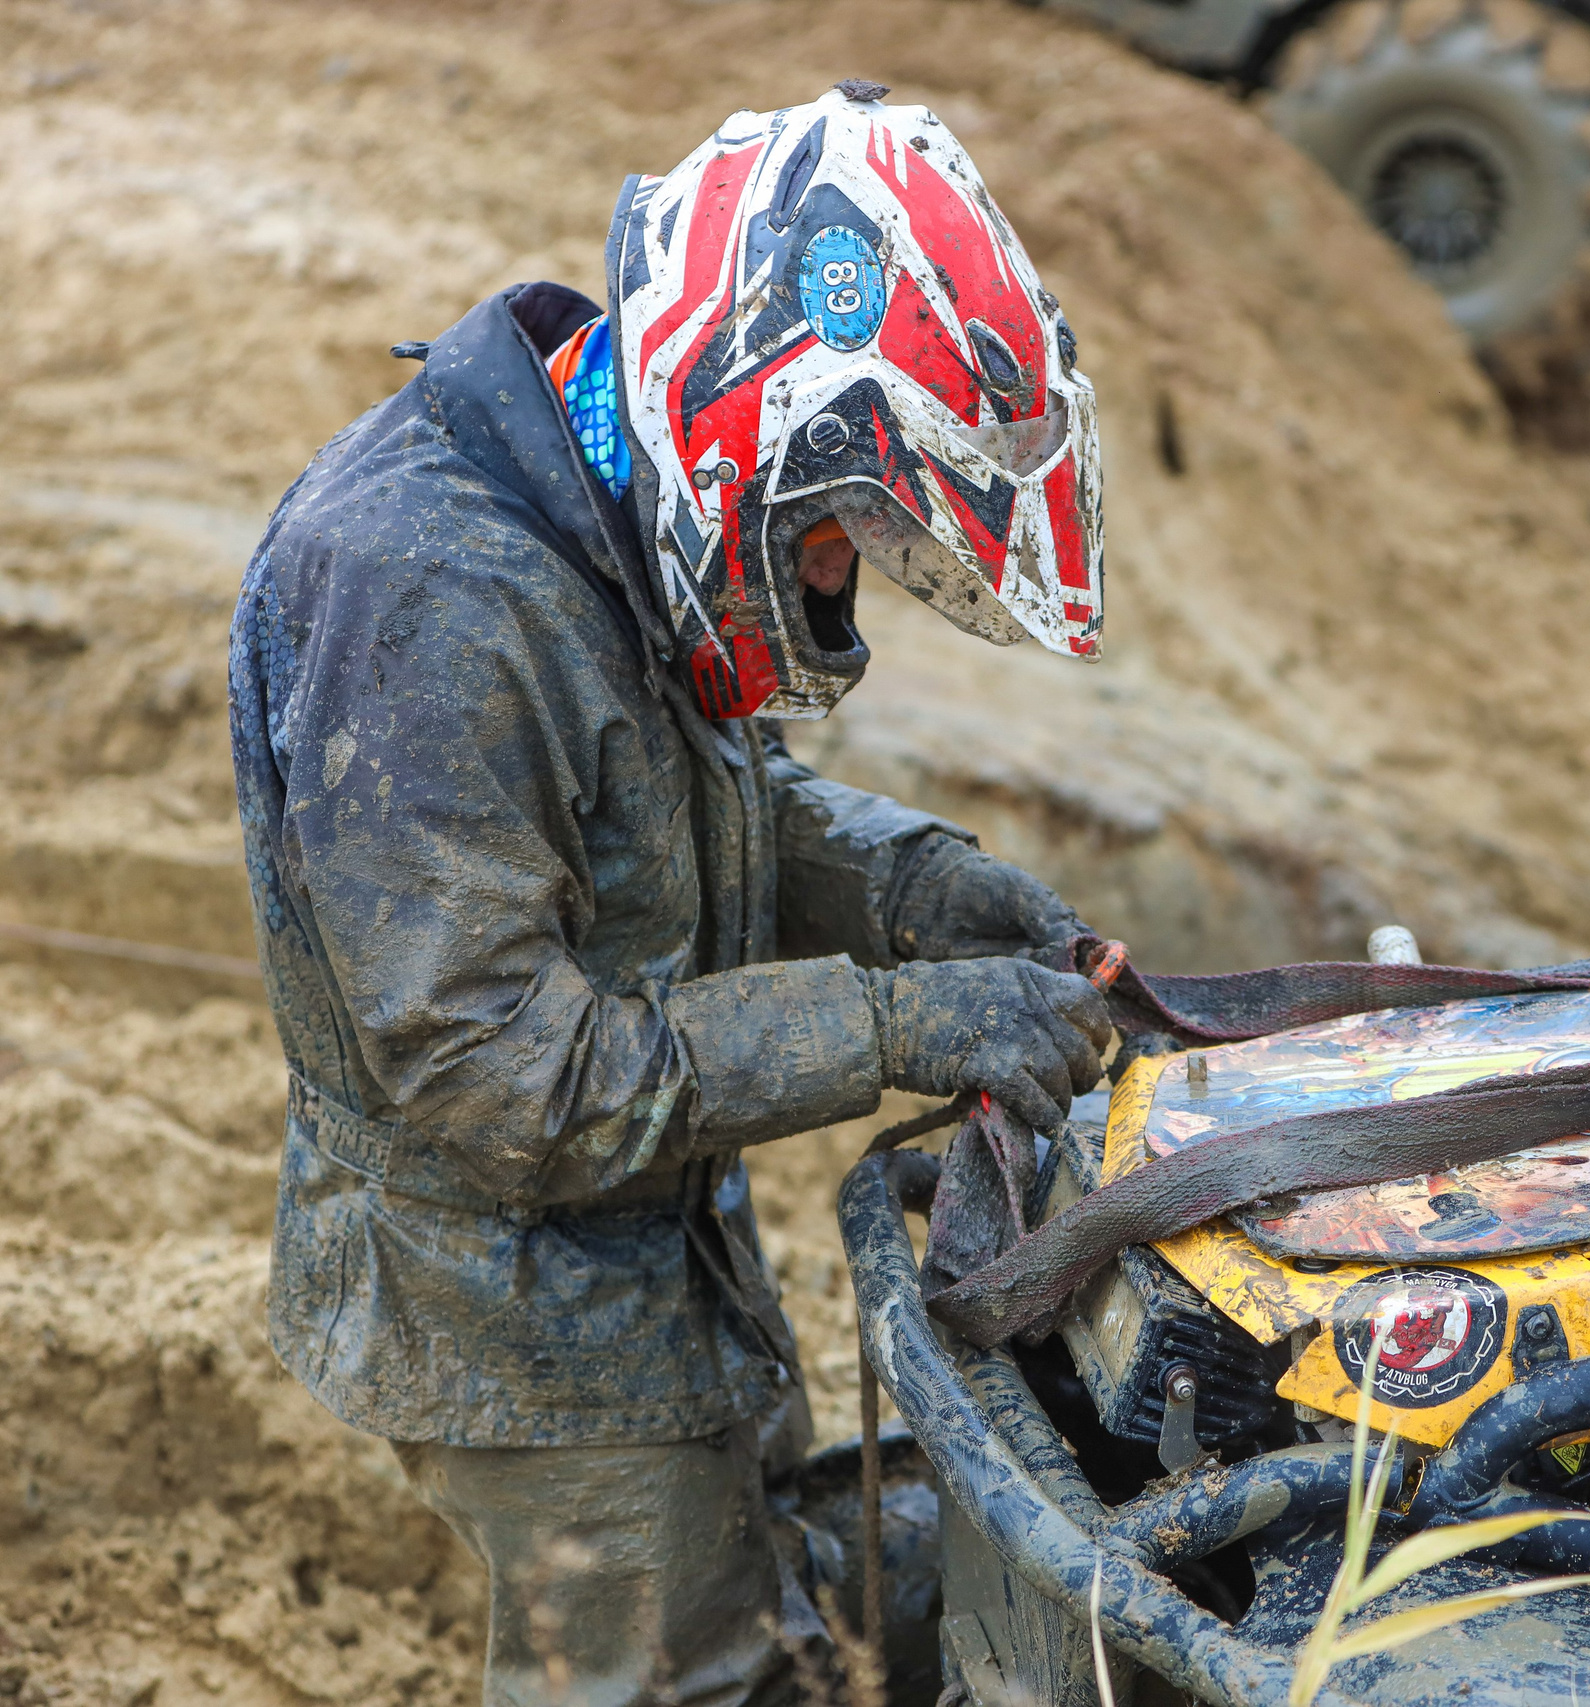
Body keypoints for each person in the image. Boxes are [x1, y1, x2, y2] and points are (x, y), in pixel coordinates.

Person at [226, 81, 1109, 1706]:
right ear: (744, 422)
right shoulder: (427, 604)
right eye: (840, 529)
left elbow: (711, 798)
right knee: (692, 1681)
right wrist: (894, 1023)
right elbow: (506, 1079)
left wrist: (924, 891)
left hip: (661, 1226)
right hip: (514, 1308)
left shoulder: (601, 491)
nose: (840, 575)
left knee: (766, 1584)